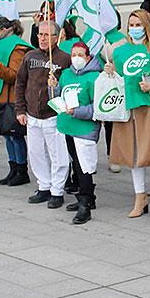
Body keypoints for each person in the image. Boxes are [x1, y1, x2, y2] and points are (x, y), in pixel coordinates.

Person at [106, 10, 150, 221]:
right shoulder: (120, 51)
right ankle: (140, 197)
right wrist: (109, 71)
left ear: (147, 25)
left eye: (138, 24)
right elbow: (116, 79)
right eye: (131, 24)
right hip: (127, 108)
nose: (134, 28)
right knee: (133, 155)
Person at [15, 21, 72, 209]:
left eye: (48, 35)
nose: (43, 39)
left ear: (57, 37)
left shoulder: (64, 59)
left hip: (53, 115)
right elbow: (20, 83)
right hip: (32, 115)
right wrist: (20, 110)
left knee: (58, 155)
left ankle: (57, 190)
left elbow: (71, 87)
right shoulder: (30, 56)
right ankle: (44, 186)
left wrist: (57, 85)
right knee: (36, 153)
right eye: (40, 34)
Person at [0, 17, 32, 186]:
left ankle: (21, 170)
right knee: (7, 136)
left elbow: (17, 75)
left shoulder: (17, 47)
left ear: (4, 30)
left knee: (15, 136)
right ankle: (13, 168)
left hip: (9, 98)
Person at [57, 41, 103, 225]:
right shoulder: (66, 74)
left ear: (88, 57)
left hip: (84, 128)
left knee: (84, 167)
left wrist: (76, 111)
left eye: (80, 55)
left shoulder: (94, 78)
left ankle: (85, 203)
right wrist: (53, 86)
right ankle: (87, 197)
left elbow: (98, 107)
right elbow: (58, 96)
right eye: (73, 55)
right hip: (67, 126)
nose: (76, 58)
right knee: (75, 164)